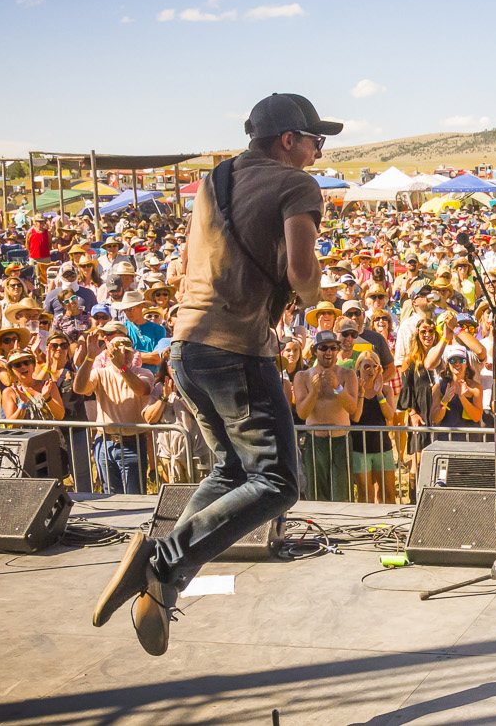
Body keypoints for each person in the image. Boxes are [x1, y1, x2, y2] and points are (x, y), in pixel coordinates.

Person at [92, 93, 334, 656]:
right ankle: (161, 562)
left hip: (186, 347)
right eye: (315, 139)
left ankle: (159, 577)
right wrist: (314, 293)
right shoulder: (297, 185)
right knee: (277, 482)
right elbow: (302, 271)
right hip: (235, 349)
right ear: (287, 140)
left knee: (229, 469)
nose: (319, 150)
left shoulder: (214, 178)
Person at [74, 328, 156, 495]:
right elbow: (79, 388)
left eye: (127, 351)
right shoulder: (100, 373)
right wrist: (89, 357)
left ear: (134, 354)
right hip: (104, 443)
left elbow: (141, 390)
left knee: (135, 496)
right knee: (109, 495)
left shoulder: (144, 373)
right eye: (118, 351)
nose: (123, 354)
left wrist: (123, 367)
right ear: (109, 353)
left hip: (133, 443)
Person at [294, 330, 359, 502]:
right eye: (323, 348)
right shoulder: (302, 376)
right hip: (315, 442)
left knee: (341, 495)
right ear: (315, 350)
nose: (328, 352)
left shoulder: (348, 375)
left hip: (340, 441)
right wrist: (314, 391)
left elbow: (352, 408)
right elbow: (302, 413)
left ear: (337, 350)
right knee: (316, 495)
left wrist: (337, 387)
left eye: (332, 347)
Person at [349, 350, 398, 504]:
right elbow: (355, 417)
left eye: (375, 367)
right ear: (358, 368)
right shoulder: (353, 389)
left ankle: (389, 525)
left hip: (382, 447)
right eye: (367, 367)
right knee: (365, 495)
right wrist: (361, 394)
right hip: (360, 449)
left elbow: (389, 415)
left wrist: (379, 394)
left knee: (389, 494)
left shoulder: (385, 390)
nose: (371, 370)